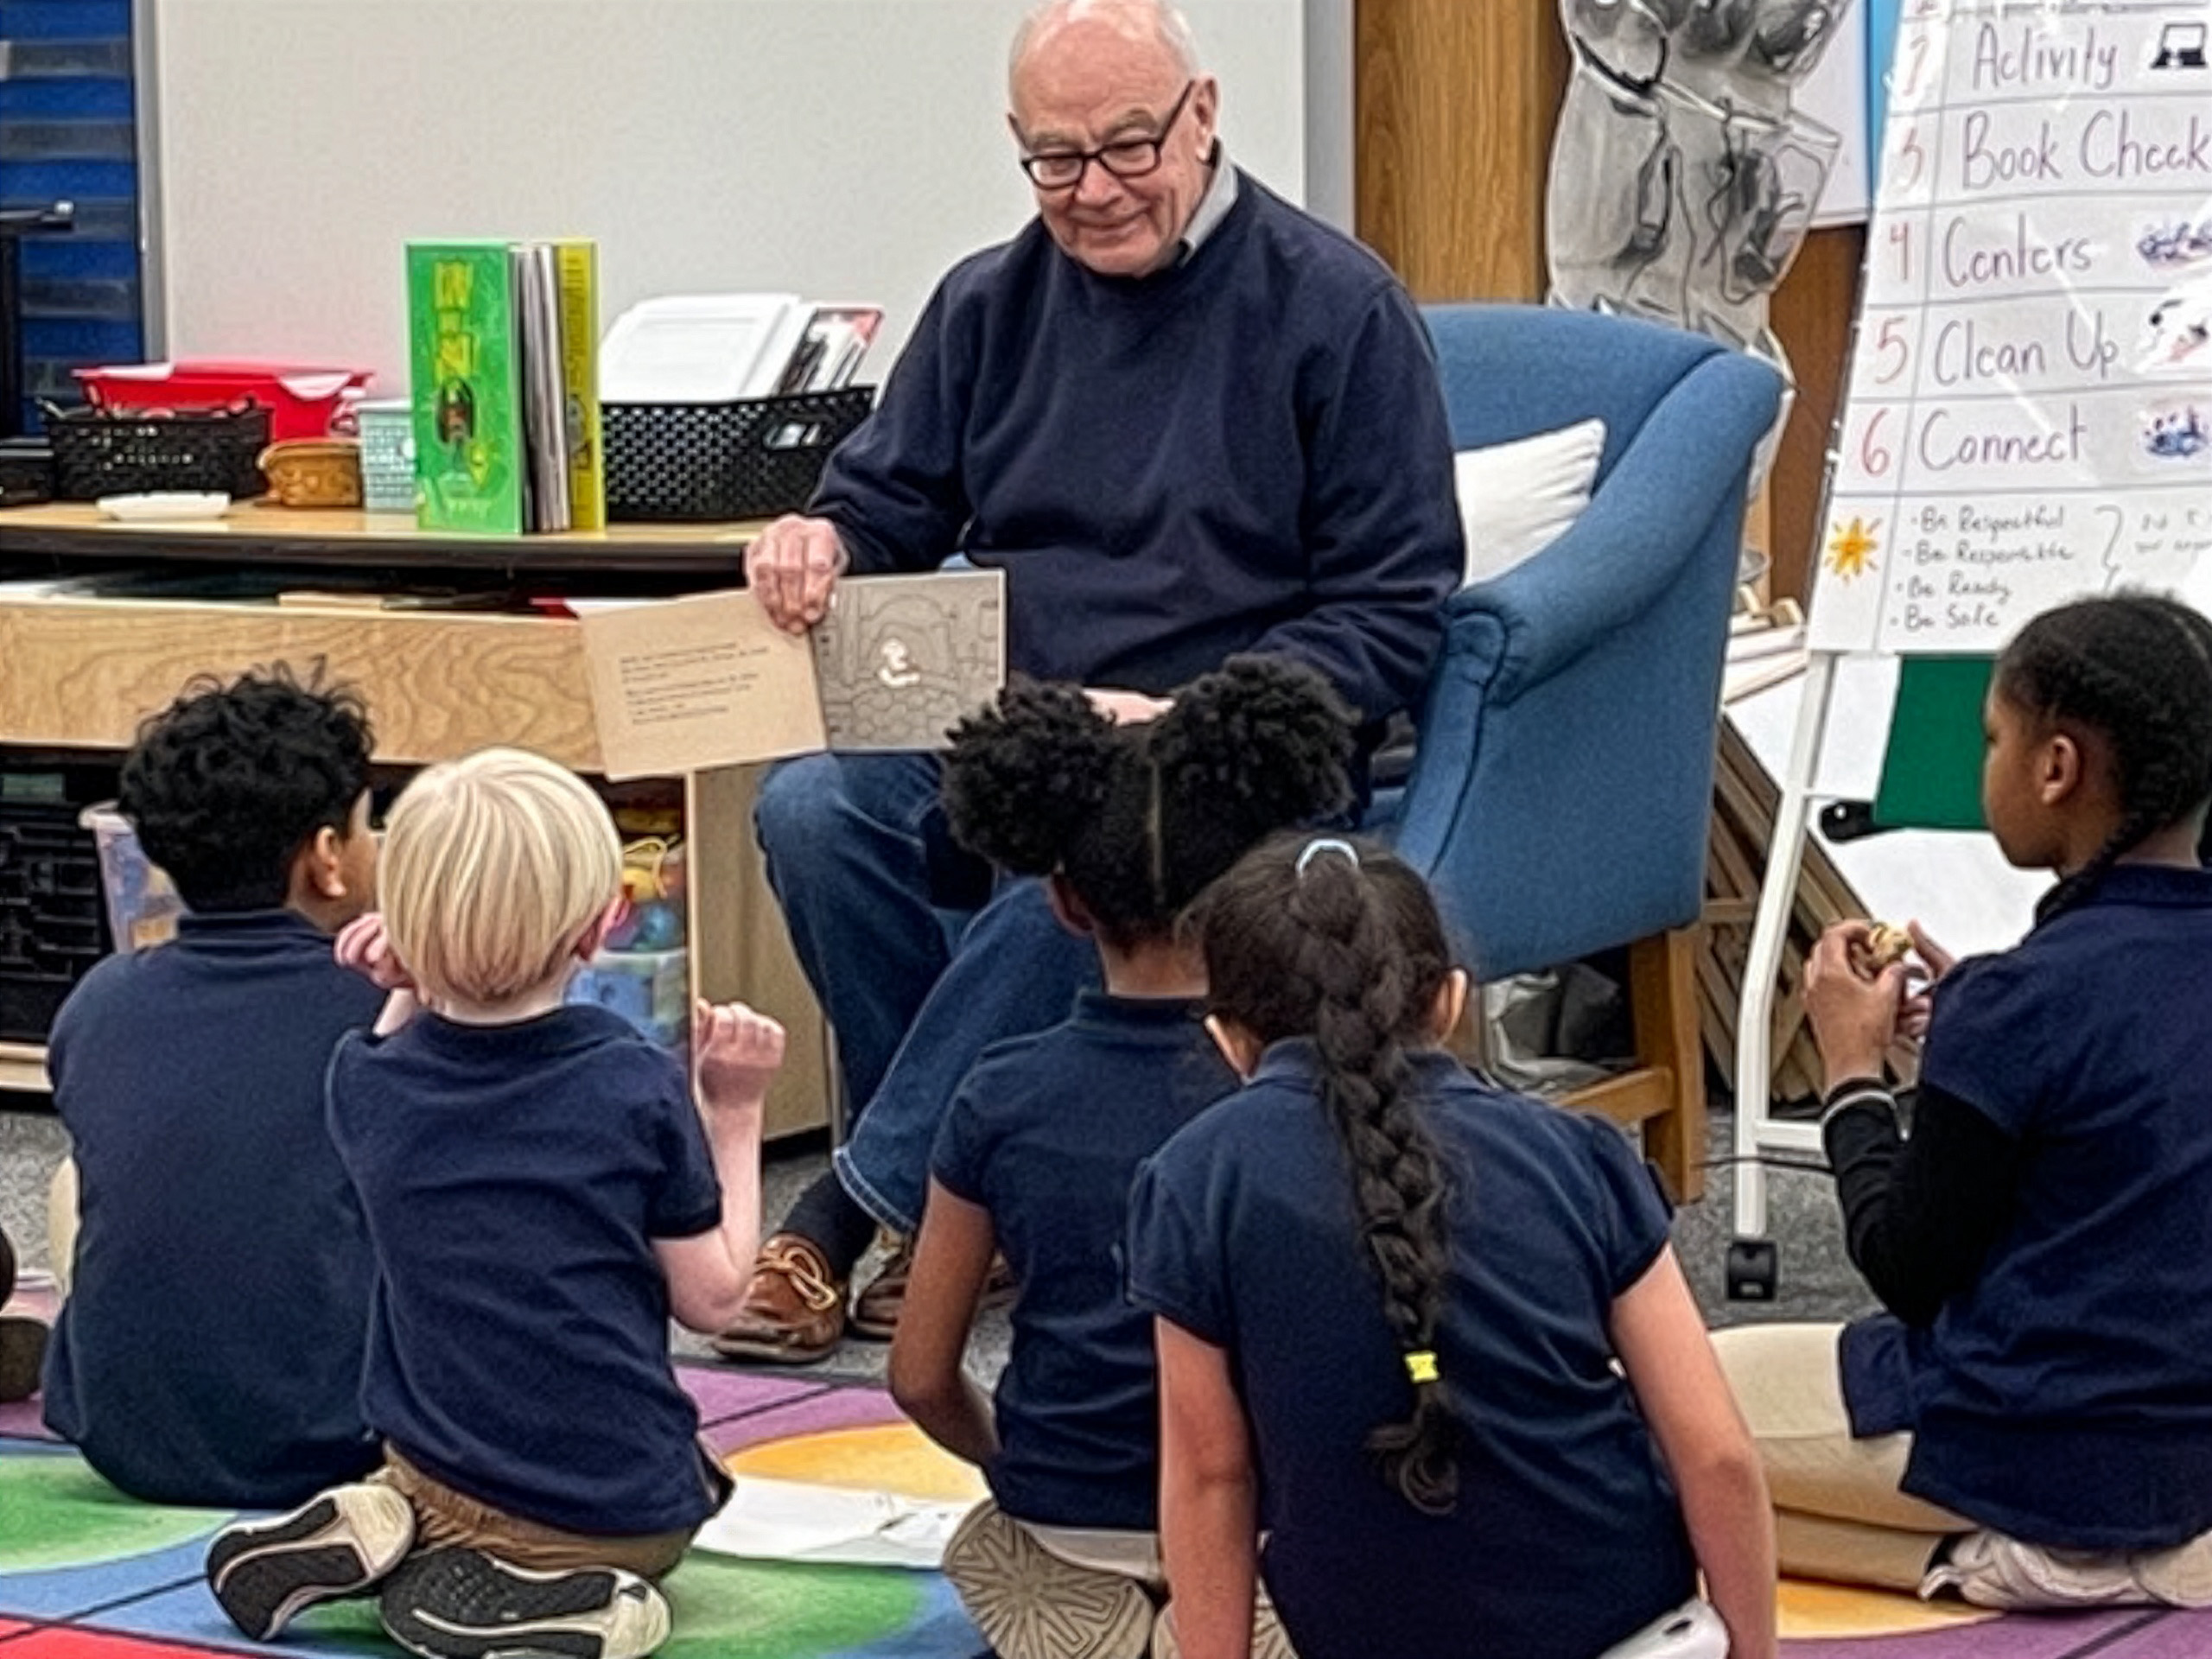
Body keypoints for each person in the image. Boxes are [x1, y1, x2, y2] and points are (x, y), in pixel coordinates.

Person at [722, 0, 1461, 1364]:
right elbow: (884, 504)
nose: (1096, 189)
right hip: (1021, 723)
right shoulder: (987, 303)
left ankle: (855, 1207)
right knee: (815, 809)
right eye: (1055, 160)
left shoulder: (1338, 305)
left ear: (1204, 114)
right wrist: (819, 540)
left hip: (1235, 742)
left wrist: (1187, 719)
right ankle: (972, 1196)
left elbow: (1394, 607)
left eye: (1129, 146)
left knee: (1088, 849)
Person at [1127, 836, 1776, 1659]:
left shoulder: (1194, 1181)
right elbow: (1715, 1456)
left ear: (1229, 1039)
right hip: (1634, 1633)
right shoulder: (1576, 1154)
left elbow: (1210, 1476)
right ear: (1450, 1000)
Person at [203, 747, 780, 1659]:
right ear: (600, 928)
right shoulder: (632, 1087)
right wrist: (737, 1113)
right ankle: (553, 1599)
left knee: (427, 1463)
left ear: (398, 926)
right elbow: (713, 1300)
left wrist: (410, 981)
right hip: (609, 1512)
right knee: (661, 1510)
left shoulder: (363, 1083)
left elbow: (392, 1050)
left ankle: (396, 1522)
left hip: (431, 1469)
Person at [1715, 593, 2212, 1611]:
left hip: (2034, 1432)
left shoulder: (2020, 1000)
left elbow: (1907, 1269)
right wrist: (1967, 1053)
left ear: (2056, 767)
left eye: (1992, 738)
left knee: (1652, 1417)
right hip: (2192, 1441)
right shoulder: (2021, 999)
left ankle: (2034, 1562)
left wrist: (1852, 1072)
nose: (1987, 761)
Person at [888, 657, 1352, 1659]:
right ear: (1248, 896)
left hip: (1062, 1515)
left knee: (998, 1545)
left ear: (1062, 902)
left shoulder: (998, 1094)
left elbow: (919, 1375)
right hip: (1268, 1521)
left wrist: (1024, 1463)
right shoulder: (1307, 1092)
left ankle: (1104, 1593)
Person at [40, 668, 386, 1506]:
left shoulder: (100, 1001)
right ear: (328, 858)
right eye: (369, 825)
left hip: (126, 1441)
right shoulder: (384, 1009)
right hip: (341, 1444)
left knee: (71, 1180)